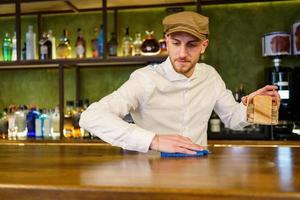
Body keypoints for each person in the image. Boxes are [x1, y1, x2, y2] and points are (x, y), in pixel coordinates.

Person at [79, 11, 280, 154]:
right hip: (150, 174)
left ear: (204, 46)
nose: (183, 53)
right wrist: (154, 141)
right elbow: (91, 117)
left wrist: (257, 106)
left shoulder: (210, 76)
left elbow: (232, 119)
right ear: (166, 41)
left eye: (192, 45)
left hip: (199, 172)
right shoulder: (144, 79)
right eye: (176, 43)